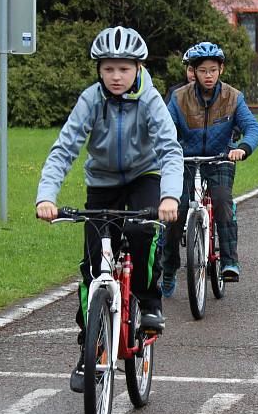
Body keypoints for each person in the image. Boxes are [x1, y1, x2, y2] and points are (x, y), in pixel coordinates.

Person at [36, 26, 184, 392]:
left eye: (123, 69)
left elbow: (169, 150)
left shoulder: (149, 100)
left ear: (137, 68)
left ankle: (149, 301)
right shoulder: (91, 100)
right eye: (108, 69)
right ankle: (90, 347)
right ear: (98, 70)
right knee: (92, 268)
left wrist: (169, 197)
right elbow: (65, 149)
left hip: (144, 176)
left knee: (139, 230)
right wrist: (46, 196)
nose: (116, 77)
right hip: (102, 183)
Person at [160, 41, 258, 295]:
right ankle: (170, 269)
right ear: (193, 71)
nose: (208, 75)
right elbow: (164, 129)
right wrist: (164, 149)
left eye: (213, 70)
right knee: (176, 211)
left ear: (221, 70)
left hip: (220, 158)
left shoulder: (233, 97)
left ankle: (229, 262)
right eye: (203, 70)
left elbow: (253, 127)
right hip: (183, 160)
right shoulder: (178, 97)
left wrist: (242, 148)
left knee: (222, 201)